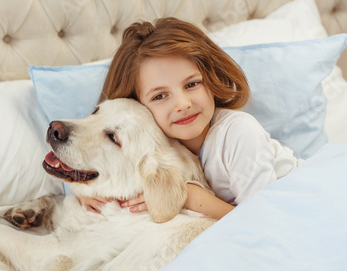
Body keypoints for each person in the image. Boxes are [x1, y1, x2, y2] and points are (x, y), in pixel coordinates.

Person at [78, 17, 302, 220]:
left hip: (296, 209)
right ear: (134, 106)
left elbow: (264, 221)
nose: (183, 104)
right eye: (160, 96)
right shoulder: (154, 151)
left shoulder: (239, 134)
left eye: (192, 84)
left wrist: (188, 196)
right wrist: (86, 193)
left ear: (211, 79)